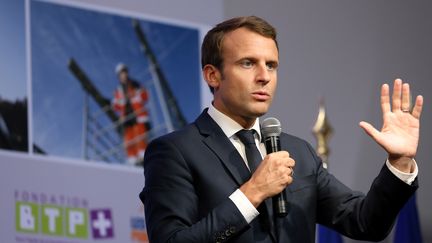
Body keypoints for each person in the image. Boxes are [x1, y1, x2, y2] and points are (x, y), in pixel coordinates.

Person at [139, 16, 424, 243]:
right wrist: (251, 194)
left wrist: (398, 163)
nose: (264, 77)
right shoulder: (174, 151)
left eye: (272, 66)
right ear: (213, 75)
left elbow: (365, 223)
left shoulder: (299, 151)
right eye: (248, 63)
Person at [112, 63, 150, 165]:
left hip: (138, 114)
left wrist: (135, 96)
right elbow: (115, 105)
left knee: (140, 134)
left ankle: (142, 155)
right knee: (129, 138)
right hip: (126, 117)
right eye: (121, 73)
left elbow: (145, 96)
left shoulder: (135, 84)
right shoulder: (118, 90)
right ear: (119, 76)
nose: (123, 75)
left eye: (124, 72)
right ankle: (132, 159)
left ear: (127, 73)